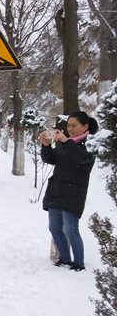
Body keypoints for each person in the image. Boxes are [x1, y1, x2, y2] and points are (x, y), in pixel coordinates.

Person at [40, 111, 98, 271]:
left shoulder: (90, 144)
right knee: (54, 228)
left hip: (73, 193)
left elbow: (82, 160)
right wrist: (46, 146)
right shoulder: (66, 142)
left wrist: (66, 142)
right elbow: (51, 159)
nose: (70, 129)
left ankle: (79, 263)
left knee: (70, 229)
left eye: (74, 126)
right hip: (56, 190)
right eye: (68, 126)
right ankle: (65, 259)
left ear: (85, 126)